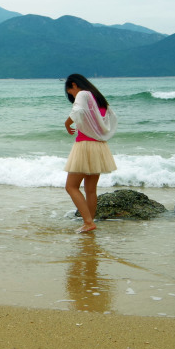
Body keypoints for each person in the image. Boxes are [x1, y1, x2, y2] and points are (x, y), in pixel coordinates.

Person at [63, 73, 117, 233]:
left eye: (69, 92)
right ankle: (89, 222)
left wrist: (67, 124)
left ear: (73, 85)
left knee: (71, 186)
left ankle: (88, 222)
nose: (72, 96)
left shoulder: (83, 94)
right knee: (90, 189)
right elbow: (111, 119)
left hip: (84, 145)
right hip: (100, 146)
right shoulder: (99, 99)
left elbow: (78, 110)